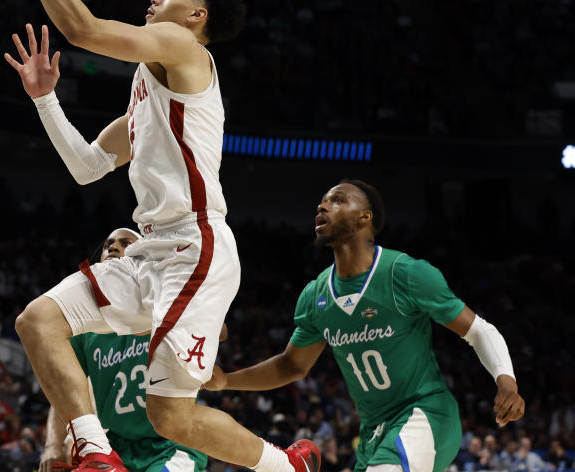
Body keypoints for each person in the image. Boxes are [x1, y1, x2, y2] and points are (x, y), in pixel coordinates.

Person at [0, 0, 317, 472]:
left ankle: (283, 466)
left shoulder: (182, 47)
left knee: (171, 418)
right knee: (38, 320)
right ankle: (94, 451)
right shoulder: (149, 87)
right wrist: (45, 100)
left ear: (197, 15)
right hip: (148, 252)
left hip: (195, 247)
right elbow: (89, 167)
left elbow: (84, 31)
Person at [204, 179, 527, 472]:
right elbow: (291, 365)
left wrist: (506, 382)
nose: (323, 206)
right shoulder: (316, 295)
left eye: (338, 200)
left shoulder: (406, 274)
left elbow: (478, 330)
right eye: (322, 201)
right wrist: (226, 382)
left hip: (425, 413)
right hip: (373, 431)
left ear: (364, 218)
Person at [40, 227, 207, 472]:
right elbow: (61, 388)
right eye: (107, 244)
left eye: (126, 242)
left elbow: (216, 328)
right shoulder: (85, 329)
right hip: (115, 443)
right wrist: (52, 445)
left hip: (172, 444)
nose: (113, 247)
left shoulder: (164, 307)